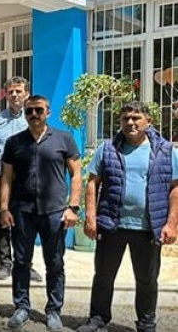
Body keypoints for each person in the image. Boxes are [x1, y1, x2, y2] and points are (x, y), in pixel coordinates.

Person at [76, 102, 178, 332]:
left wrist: (172, 224)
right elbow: (92, 182)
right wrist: (90, 216)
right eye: (125, 118)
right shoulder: (108, 148)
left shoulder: (165, 151)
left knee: (147, 279)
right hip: (112, 225)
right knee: (103, 276)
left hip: (148, 227)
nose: (130, 122)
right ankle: (98, 319)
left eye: (136, 118)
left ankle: (146, 323)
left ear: (148, 121)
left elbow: (175, 188)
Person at [0, 95, 82, 331]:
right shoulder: (14, 142)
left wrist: (73, 207)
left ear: (48, 112)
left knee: (54, 263)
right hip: (22, 211)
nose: (34, 115)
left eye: (38, 110)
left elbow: (76, 174)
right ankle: (21, 307)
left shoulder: (64, 139)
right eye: (29, 111)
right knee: (21, 261)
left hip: (55, 212)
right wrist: (4, 208)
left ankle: (54, 310)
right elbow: (6, 177)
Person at [0, 76, 37, 282]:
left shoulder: (32, 117)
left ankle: (26, 264)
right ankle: (5, 264)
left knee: (26, 222)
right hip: (1, 179)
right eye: (11, 92)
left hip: (26, 178)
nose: (14, 95)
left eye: (18, 91)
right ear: (5, 95)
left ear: (26, 94)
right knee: (3, 221)